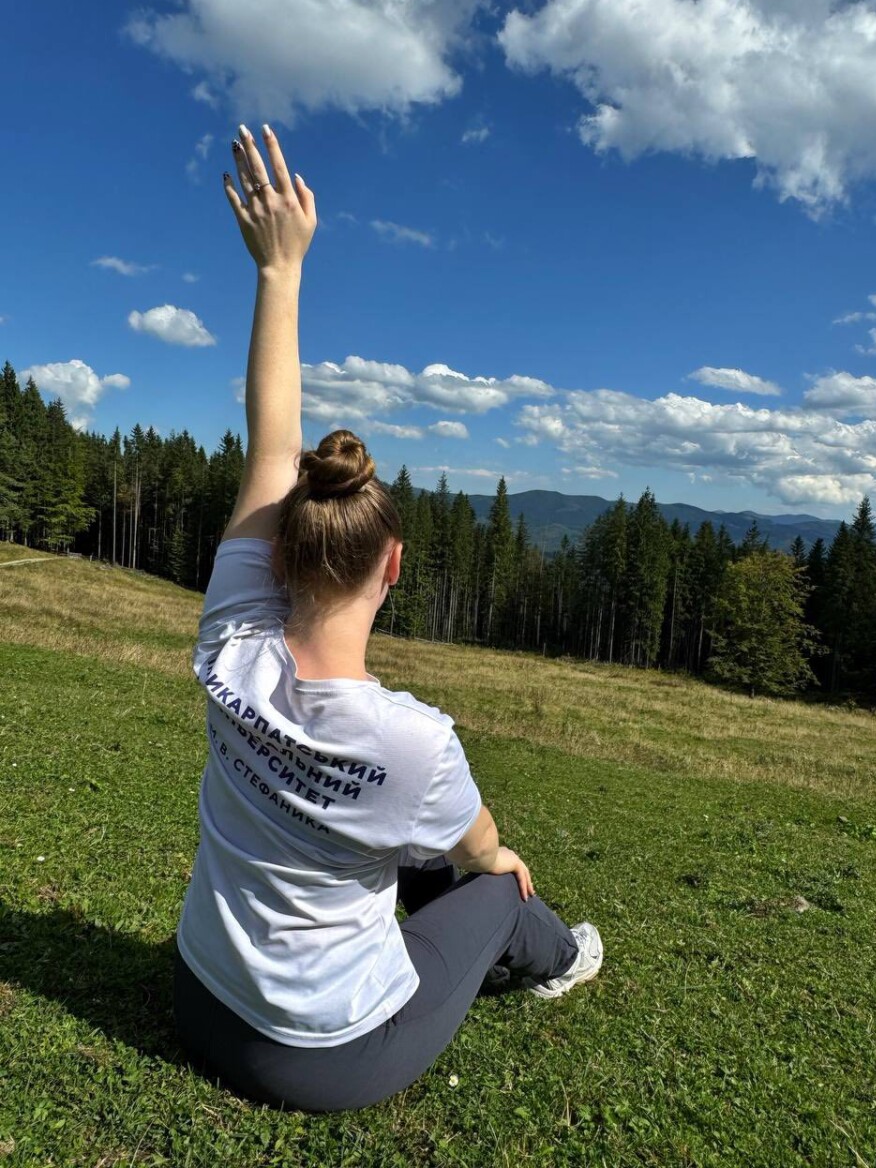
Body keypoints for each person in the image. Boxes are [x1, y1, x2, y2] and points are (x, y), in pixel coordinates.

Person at [172, 123, 603, 1113]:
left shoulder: (231, 637)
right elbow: (481, 851)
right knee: (496, 891)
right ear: (395, 566)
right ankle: (564, 957)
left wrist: (278, 269)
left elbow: (270, 444)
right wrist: (498, 864)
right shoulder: (414, 745)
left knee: (410, 855)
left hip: (198, 995)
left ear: (278, 555)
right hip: (318, 1059)